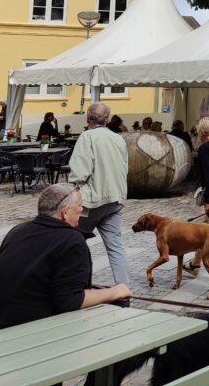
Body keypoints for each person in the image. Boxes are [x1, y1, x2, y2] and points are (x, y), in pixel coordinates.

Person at [0, 183, 131, 332]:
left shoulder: (17, 231)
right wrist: (116, 291)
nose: (81, 210)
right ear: (65, 212)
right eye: (79, 206)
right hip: (36, 334)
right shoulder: (72, 240)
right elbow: (70, 301)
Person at [69, 102, 130, 287]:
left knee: (74, 241)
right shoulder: (118, 138)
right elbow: (125, 167)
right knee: (116, 246)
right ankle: (124, 288)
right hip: (115, 198)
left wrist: (74, 192)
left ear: (88, 119)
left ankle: (78, 285)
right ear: (108, 120)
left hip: (91, 200)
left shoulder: (87, 137)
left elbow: (80, 172)